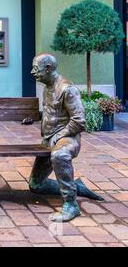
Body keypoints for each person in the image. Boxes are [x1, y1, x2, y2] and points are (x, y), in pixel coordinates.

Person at [29, 53, 103, 223]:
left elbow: (79, 121)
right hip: (49, 139)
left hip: (67, 139)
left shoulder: (67, 89)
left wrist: (59, 135)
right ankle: (77, 187)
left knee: (59, 156)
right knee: (36, 185)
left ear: (47, 69)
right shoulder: (47, 86)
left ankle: (71, 204)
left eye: (35, 68)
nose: (32, 72)